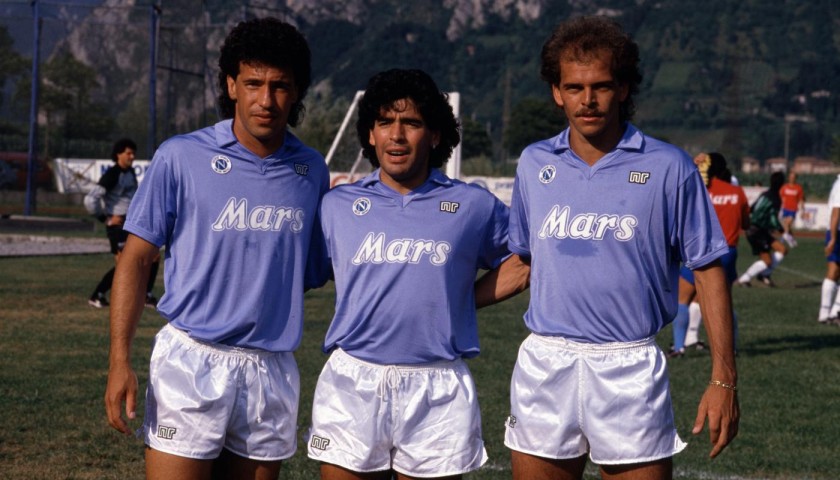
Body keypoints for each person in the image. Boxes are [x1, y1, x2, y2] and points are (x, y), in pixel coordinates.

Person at [477, 16, 739, 480]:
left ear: (623, 88)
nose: (588, 100)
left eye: (600, 86)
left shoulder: (670, 167)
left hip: (629, 366)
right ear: (557, 92)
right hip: (547, 364)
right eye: (574, 88)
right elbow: (524, 264)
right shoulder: (535, 163)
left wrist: (724, 380)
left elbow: (707, 270)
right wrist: (444, 299)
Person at [104, 18, 329, 480]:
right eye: (253, 83)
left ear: (297, 92)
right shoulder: (181, 156)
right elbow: (136, 258)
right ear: (231, 85)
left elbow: (309, 270)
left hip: (270, 367)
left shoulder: (311, 170)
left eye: (280, 86)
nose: (266, 100)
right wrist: (119, 359)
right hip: (191, 361)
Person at [306, 68, 510, 480]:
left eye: (411, 123)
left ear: (434, 135)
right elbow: (298, 270)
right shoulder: (336, 206)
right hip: (353, 382)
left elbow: (525, 261)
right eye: (385, 122)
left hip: (437, 384)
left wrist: (460, 301)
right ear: (370, 134)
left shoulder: (472, 205)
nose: (396, 135)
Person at [670, 153, 749, 357]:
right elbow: (746, 223)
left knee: (682, 298)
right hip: (729, 252)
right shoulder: (737, 192)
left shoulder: (702, 189)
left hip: (704, 249)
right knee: (724, 301)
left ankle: (678, 347)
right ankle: (731, 348)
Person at [84, 138, 159, 309]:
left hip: (133, 224)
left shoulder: (130, 172)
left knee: (153, 256)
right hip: (118, 227)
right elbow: (90, 199)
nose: (132, 157)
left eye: (134, 153)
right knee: (124, 264)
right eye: (128, 153)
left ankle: (146, 295)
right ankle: (97, 295)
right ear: (118, 154)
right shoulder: (112, 175)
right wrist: (105, 218)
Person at [737, 171, 788, 287]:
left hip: (760, 230)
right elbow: (773, 218)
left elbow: (752, 208)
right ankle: (744, 279)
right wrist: (781, 229)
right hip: (756, 231)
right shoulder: (776, 198)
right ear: (782, 184)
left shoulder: (764, 194)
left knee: (782, 249)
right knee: (767, 261)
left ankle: (764, 274)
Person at [817, 173, 840, 324]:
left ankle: (829, 313)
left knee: (835, 271)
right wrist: (833, 238)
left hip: (836, 232)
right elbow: (836, 212)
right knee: (833, 270)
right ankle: (831, 312)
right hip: (837, 232)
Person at [779, 170, 805, 247]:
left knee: (787, 223)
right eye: (790, 177)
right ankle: (792, 241)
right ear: (788, 178)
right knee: (788, 227)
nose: (792, 179)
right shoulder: (784, 187)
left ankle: (783, 239)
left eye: (793, 177)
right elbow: (780, 197)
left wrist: (802, 210)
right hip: (785, 209)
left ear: (796, 178)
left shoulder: (798, 188)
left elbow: (801, 200)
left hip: (793, 209)